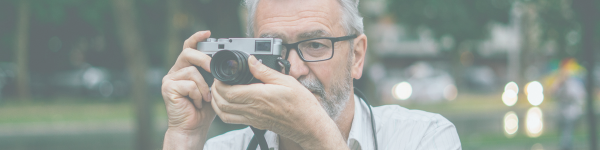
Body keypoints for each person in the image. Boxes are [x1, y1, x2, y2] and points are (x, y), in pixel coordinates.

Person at [161, 0, 461, 149]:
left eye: (316, 45)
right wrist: (185, 137)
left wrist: (319, 138)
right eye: (274, 49)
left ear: (356, 56)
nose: (295, 69)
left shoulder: (422, 137)